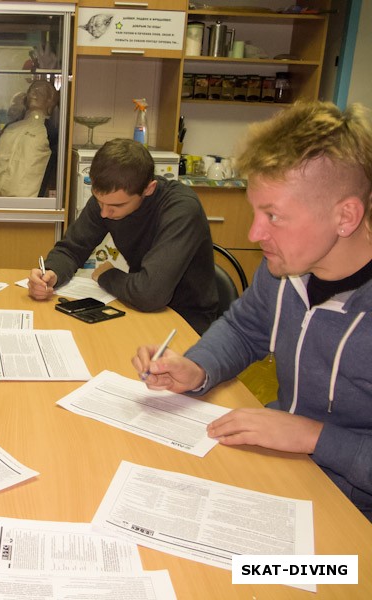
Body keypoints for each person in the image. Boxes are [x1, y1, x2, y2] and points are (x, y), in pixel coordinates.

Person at [133, 101, 372, 521]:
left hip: (354, 516)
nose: (254, 233)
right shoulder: (287, 270)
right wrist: (197, 367)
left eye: (274, 216)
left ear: (346, 216)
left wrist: (316, 437)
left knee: (247, 577)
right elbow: (246, 328)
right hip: (290, 472)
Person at [28, 138, 218, 335]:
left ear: (149, 189)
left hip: (186, 319)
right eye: (99, 201)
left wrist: (106, 275)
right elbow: (71, 249)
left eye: (116, 206)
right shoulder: (108, 199)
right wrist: (51, 274)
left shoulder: (181, 209)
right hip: (138, 308)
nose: (104, 213)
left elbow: (150, 294)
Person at [0, 79, 59, 198]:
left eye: (40, 92)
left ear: (50, 101)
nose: (34, 93)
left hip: (25, 204)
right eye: (31, 90)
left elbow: (52, 171)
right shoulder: (10, 128)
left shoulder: (49, 132)